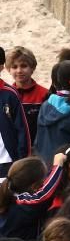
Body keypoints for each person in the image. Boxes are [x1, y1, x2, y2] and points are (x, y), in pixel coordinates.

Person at [4, 45, 47, 143]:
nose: (19, 71)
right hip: (13, 151)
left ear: (32, 68)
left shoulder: (44, 94)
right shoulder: (5, 96)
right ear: (8, 70)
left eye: (23, 66)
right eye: (14, 67)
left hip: (37, 149)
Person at [0, 48, 29, 178]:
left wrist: (21, 161)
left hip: (8, 162)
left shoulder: (9, 94)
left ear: (1, 67)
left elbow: (22, 130)